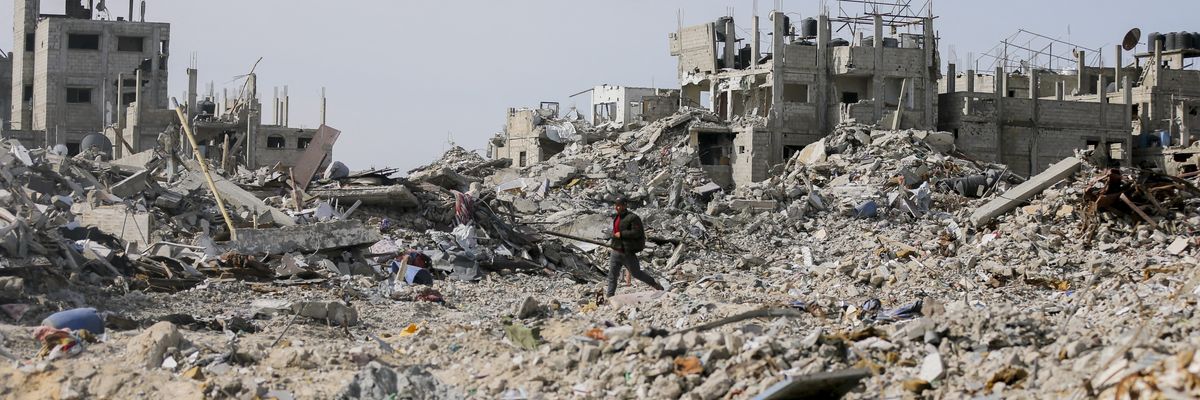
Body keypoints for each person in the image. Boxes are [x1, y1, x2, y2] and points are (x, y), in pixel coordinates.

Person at [606, 197, 664, 297]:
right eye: (616, 205)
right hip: (615, 251)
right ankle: (610, 296)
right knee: (612, 275)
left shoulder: (633, 218)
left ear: (625, 205)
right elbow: (615, 231)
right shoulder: (617, 217)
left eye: (620, 205)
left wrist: (622, 234)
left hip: (627, 252)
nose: (618, 207)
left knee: (636, 273)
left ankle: (655, 284)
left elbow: (637, 232)